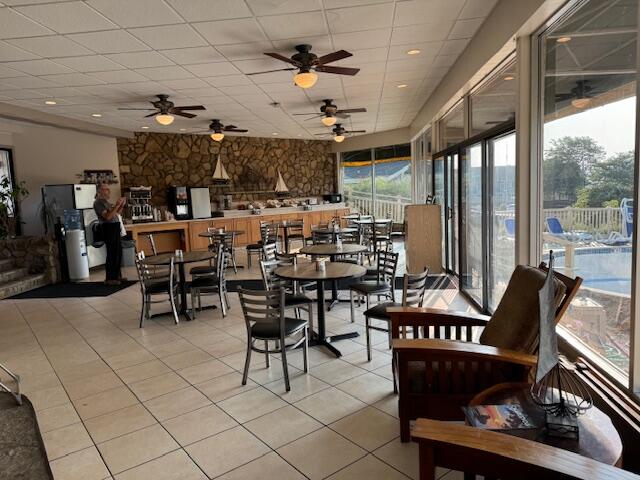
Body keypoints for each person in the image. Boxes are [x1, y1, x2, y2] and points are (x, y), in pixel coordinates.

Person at [94, 183, 126, 285]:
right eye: (106, 189)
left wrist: (121, 205)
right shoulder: (98, 203)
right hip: (108, 229)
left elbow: (116, 214)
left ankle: (117, 276)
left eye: (108, 189)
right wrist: (116, 205)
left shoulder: (106, 202)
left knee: (118, 253)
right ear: (99, 191)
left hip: (115, 227)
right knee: (112, 253)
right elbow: (107, 217)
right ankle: (110, 278)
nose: (108, 191)